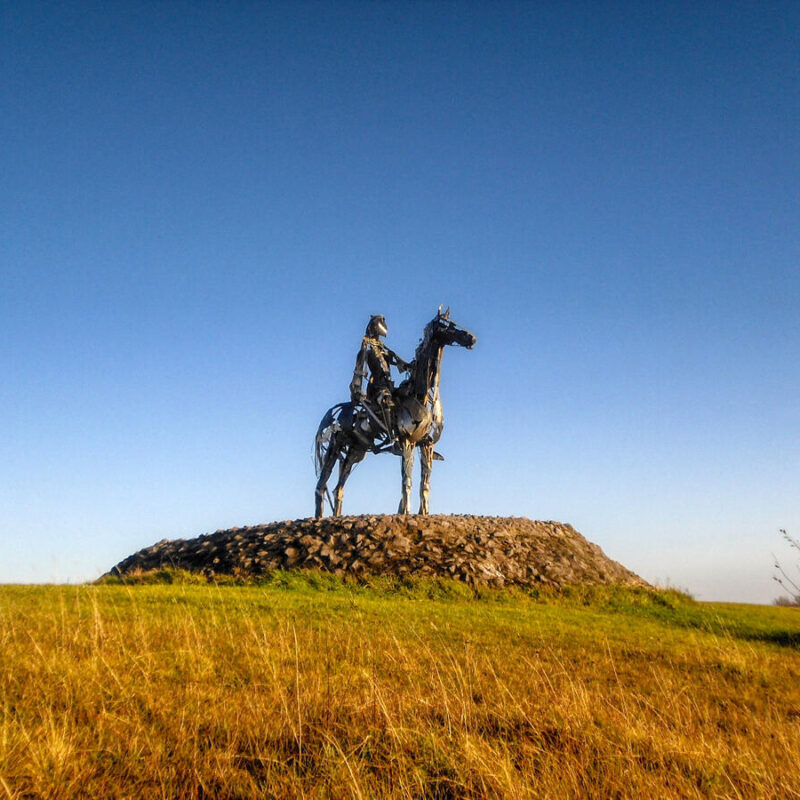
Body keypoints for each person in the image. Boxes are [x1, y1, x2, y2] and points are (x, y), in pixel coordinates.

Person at [349, 315, 411, 439]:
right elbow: (359, 369)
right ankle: (391, 437)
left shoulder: (382, 347)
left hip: (389, 385)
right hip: (377, 387)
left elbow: (395, 358)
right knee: (386, 400)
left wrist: (409, 366)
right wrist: (356, 388)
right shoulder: (366, 347)